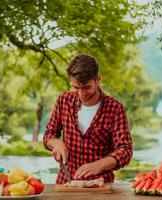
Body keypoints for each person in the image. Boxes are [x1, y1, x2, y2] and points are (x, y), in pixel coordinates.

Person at [43, 53, 133, 184]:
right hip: (66, 183)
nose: (81, 94)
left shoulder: (115, 108)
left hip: (101, 186)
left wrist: (99, 165)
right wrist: (56, 143)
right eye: (76, 88)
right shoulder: (63, 101)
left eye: (86, 87)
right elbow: (49, 135)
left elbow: (125, 150)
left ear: (98, 79)